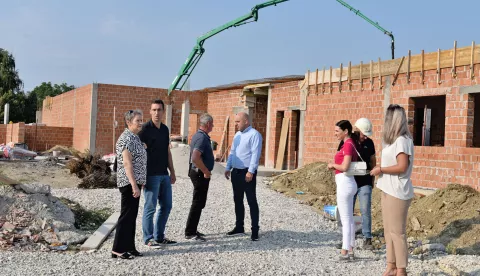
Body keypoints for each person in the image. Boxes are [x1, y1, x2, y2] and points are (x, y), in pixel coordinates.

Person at [370, 104, 414, 276]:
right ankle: (391, 266)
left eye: (387, 117)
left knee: (398, 232)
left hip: (398, 191)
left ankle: (401, 270)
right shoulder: (393, 141)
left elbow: (402, 166)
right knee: (388, 231)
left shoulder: (403, 141)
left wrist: (381, 169)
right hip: (387, 188)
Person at [139, 99, 177, 247]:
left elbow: (167, 151)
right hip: (150, 175)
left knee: (167, 206)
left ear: (163, 112)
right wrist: (141, 176)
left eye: (159, 110)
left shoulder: (165, 129)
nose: (156, 113)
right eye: (154, 110)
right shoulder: (145, 129)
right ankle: (148, 239)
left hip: (164, 174)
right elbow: (138, 154)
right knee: (150, 207)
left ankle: (159, 237)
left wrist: (172, 172)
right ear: (150, 111)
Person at [111, 109, 147, 259]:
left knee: (132, 216)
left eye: (141, 120)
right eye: (137, 121)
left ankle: (130, 247)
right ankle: (118, 249)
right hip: (128, 183)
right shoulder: (126, 138)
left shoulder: (135, 137)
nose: (141, 123)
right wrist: (134, 185)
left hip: (136, 183)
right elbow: (127, 163)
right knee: (126, 216)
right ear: (128, 122)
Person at [224, 112, 263, 241]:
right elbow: (232, 152)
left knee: (251, 201)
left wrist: (251, 171)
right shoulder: (237, 135)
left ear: (246, 121)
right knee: (237, 200)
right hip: (236, 172)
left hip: (247, 173)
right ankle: (239, 226)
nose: (235, 124)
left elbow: (255, 154)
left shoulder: (254, 135)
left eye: (237, 122)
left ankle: (255, 230)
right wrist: (228, 167)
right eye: (235, 122)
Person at [327, 120, 359, 261]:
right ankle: (350, 248)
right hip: (349, 183)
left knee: (345, 219)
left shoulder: (347, 144)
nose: (335, 134)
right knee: (349, 219)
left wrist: (333, 165)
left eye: (337, 131)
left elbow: (345, 166)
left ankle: (344, 251)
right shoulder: (350, 144)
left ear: (345, 131)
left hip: (345, 183)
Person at [184, 113, 215, 241]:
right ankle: (190, 232)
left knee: (200, 202)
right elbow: (195, 157)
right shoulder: (202, 138)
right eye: (212, 123)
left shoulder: (199, 135)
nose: (213, 126)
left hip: (197, 172)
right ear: (208, 124)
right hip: (199, 173)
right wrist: (205, 171)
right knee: (197, 202)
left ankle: (193, 229)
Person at [352, 118, 376, 248]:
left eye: (366, 134)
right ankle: (347, 237)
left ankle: (367, 238)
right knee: (348, 210)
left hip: (365, 180)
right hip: (350, 181)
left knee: (365, 209)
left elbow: (373, 160)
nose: (365, 137)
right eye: (363, 134)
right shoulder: (349, 142)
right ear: (356, 130)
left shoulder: (370, 143)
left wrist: (372, 180)